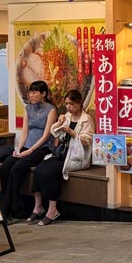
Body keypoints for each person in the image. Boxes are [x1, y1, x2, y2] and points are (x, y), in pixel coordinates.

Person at [29, 90, 94, 226]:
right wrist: (59, 123)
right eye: (67, 104)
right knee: (39, 170)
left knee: (51, 173)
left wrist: (73, 133)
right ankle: (38, 206)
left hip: (76, 156)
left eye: (71, 104)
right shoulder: (68, 116)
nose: (68, 107)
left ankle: (52, 210)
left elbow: (88, 140)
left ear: (79, 103)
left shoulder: (86, 119)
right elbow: (55, 133)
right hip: (62, 153)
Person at [0, 80, 58, 220]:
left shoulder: (51, 110)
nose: (31, 95)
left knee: (17, 168)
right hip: (26, 145)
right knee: (5, 167)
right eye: (30, 92)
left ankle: (9, 209)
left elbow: (46, 135)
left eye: (34, 92)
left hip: (41, 148)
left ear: (43, 93)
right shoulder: (28, 108)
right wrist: (18, 149)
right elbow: (24, 132)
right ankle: (12, 205)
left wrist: (30, 151)